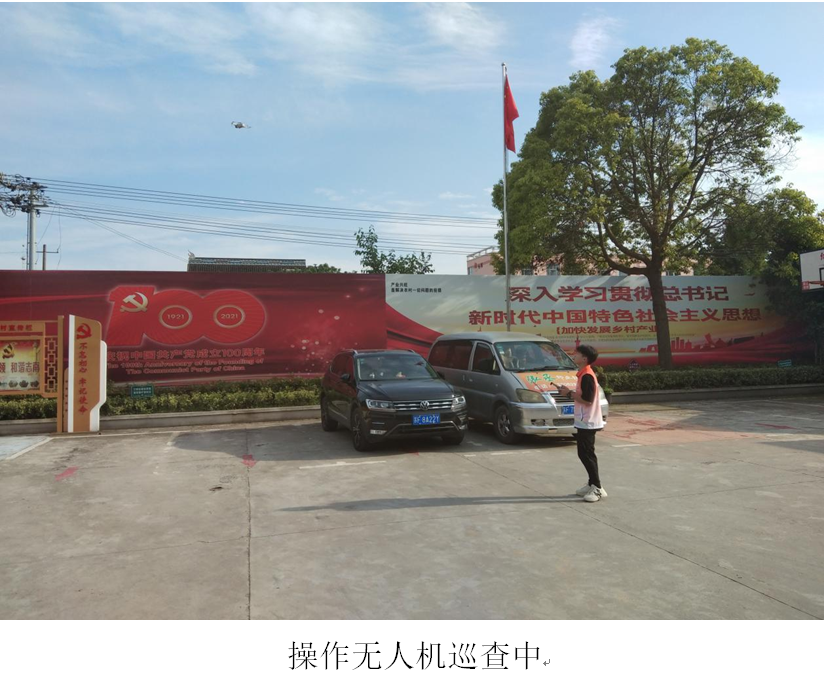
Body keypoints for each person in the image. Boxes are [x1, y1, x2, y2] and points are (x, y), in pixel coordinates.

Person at [553, 345, 607, 503]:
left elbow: (587, 400)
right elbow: (583, 395)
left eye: (577, 354)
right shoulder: (583, 374)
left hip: (588, 421)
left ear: (584, 358)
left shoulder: (587, 375)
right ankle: (592, 484)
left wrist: (568, 393)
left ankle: (597, 487)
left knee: (587, 454)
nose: (573, 355)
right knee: (584, 453)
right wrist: (568, 392)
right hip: (584, 421)